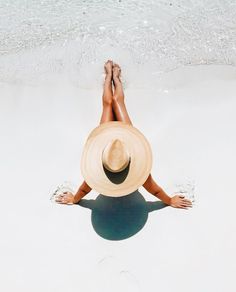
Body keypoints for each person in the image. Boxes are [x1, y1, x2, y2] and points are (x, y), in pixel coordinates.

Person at [55, 60, 192, 209]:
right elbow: (156, 191)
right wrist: (169, 201)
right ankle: (112, 77)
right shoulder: (142, 177)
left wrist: (75, 199)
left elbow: (82, 190)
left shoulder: (95, 175)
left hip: (110, 140)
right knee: (115, 102)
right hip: (125, 140)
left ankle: (112, 77)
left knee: (110, 103)